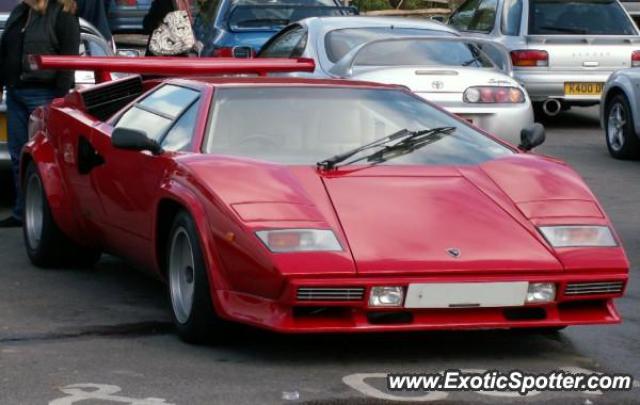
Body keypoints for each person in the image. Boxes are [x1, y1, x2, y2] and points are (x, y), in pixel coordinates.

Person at [0, 0, 80, 228]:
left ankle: (45, 217)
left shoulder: (62, 15)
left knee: (44, 159)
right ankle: (21, 212)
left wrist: (57, 100)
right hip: (15, 93)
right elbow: (6, 49)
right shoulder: (19, 12)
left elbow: (68, 60)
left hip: (43, 95)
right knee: (18, 156)